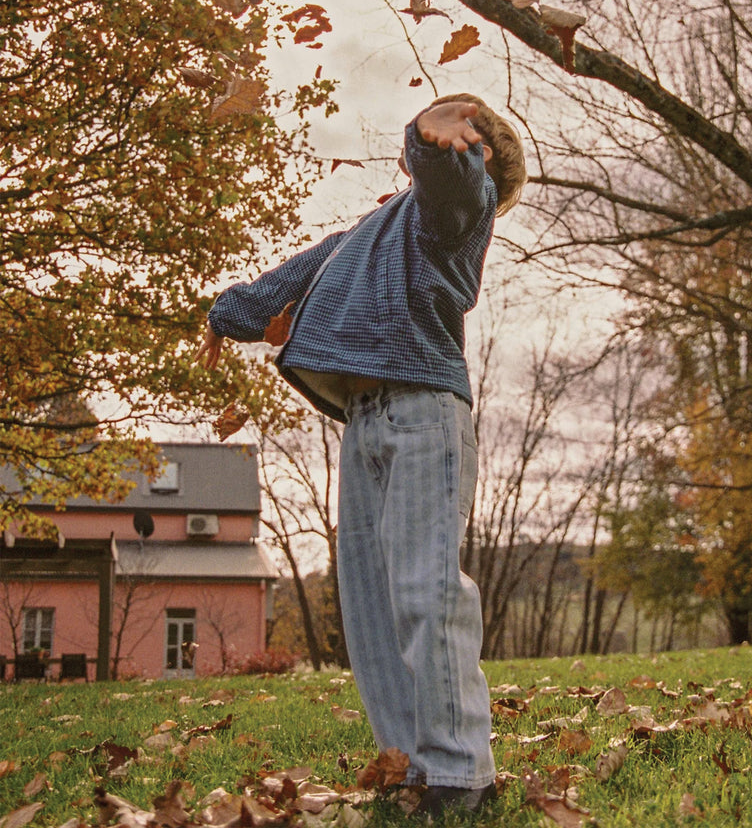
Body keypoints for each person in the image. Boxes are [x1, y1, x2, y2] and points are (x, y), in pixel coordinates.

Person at [196, 93, 526, 818]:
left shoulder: (459, 214)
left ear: (478, 154)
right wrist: (230, 311)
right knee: (372, 606)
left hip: (423, 414)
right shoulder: (378, 223)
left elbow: (453, 187)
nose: (434, 146)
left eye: (458, 140)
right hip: (365, 420)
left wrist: (443, 149)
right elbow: (299, 274)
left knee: (424, 591)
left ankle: (463, 775)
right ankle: (412, 763)